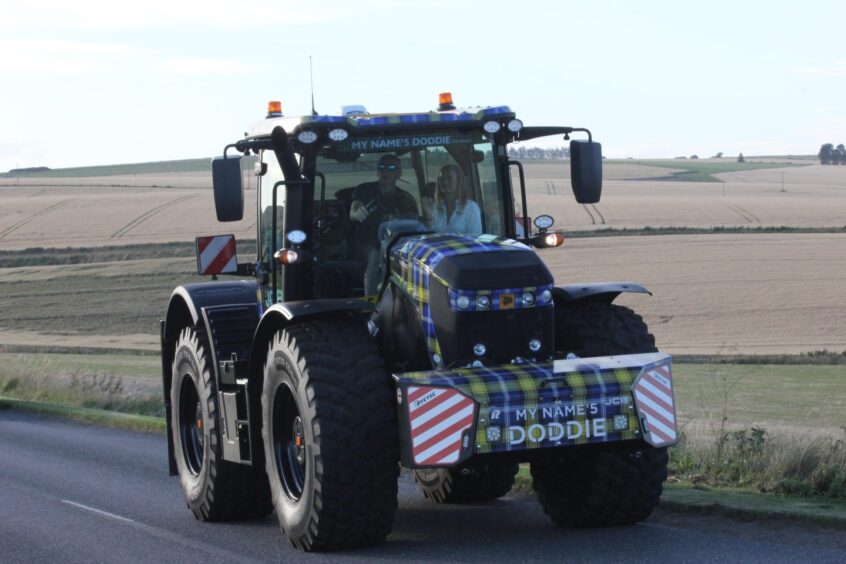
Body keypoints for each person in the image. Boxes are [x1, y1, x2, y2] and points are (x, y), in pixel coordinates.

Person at [349, 154, 419, 295]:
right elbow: (354, 209)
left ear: (399, 173)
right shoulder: (363, 189)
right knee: (375, 256)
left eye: (391, 167)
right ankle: (371, 304)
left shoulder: (406, 198)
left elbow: (415, 223)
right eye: (381, 167)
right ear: (377, 171)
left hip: (395, 244)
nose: (385, 171)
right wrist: (357, 212)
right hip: (366, 243)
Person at [422, 164, 482, 235]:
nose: (445, 182)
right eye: (441, 179)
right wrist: (428, 215)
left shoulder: (471, 208)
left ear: (459, 181)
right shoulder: (435, 207)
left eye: (449, 178)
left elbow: (475, 238)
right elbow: (428, 236)